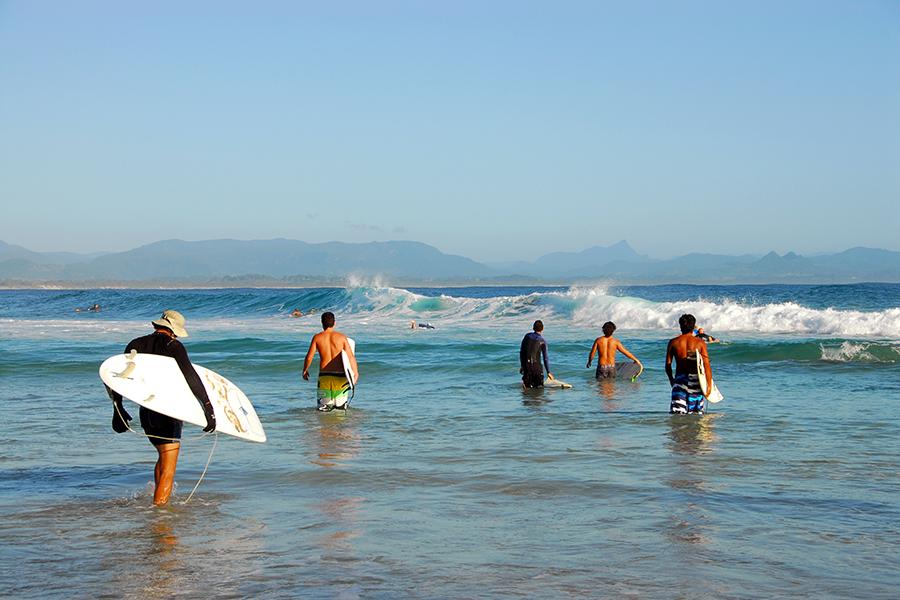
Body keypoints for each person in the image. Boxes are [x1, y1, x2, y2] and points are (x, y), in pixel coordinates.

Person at [107, 310, 216, 505]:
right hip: (167, 412)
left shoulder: (135, 344)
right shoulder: (173, 346)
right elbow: (191, 377)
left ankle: (157, 504)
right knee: (169, 469)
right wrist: (208, 407)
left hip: (146, 412)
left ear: (157, 325)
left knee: (163, 457)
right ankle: (160, 517)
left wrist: (118, 408)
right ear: (173, 331)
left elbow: (118, 377)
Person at [303, 311, 359, 411]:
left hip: (325, 376)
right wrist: (355, 373)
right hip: (340, 376)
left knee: (323, 409)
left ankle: (324, 426)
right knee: (340, 410)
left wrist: (305, 370)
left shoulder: (317, 337)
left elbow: (309, 357)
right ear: (334, 323)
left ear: (322, 323)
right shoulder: (342, 337)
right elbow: (350, 357)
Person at [665, 313, 713, 415]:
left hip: (679, 380)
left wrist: (671, 380)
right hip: (696, 381)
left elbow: (668, 365)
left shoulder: (673, 342)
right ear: (693, 326)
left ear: (680, 326)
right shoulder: (700, 343)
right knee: (696, 415)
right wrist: (708, 386)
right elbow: (706, 365)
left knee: (677, 415)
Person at [519, 320, 553, 388]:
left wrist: (522, 366)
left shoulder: (527, 336)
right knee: (539, 389)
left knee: (526, 388)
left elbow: (522, 352)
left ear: (533, 328)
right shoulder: (542, 341)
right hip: (536, 368)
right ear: (542, 329)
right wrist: (548, 372)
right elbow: (545, 358)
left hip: (526, 367)